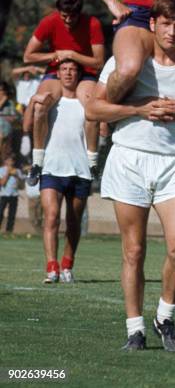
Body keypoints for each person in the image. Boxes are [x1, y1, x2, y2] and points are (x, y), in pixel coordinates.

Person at [85, 0, 175, 353]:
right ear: (153, 25)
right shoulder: (128, 61)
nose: (173, 32)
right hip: (129, 159)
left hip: (174, 163)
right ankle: (134, 329)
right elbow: (94, 109)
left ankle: (165, 316)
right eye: (167, 24)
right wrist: (138, 109)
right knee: (134, 250)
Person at [22, 0, 105, 183]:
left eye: (72, 16)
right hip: (56, 71)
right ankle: (37, 163)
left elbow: (98, 62)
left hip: (85, 72)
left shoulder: (92, 23)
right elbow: (28, 56)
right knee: (41, 105)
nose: (68, 20)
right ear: (58, 12)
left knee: (91, 107)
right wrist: (53, 56)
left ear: (80, 13)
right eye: (64, 16)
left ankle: (93, 163)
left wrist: (73, 55)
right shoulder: (49, 22)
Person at [31, 60, 93, 284]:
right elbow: (31, 123)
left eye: (73, 69)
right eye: (64, 69)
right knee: (52, 217)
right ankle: (52, 267)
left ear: (79, 74)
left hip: (80, 169)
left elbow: (100, 129)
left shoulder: (87, 104)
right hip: (51, 168)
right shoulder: (50, 103)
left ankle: (67, 263)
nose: (68, 73)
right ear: (58, 74)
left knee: (74, 221)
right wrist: (34, 100)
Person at [0, 155, 23, 233]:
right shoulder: (1, 170)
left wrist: (17, 176)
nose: (10, 162)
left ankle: (9, 231)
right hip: (4, 195)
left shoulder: (18, 171)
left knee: (12, 214)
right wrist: (7, 173)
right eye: (9, 160)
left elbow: (21, 186)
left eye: (12, 161)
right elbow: (2, 183)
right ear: (5, 161)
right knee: (0, 212)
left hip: (14, 195)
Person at [0, 82, 19, 161]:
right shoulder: (5, 101)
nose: (1, 92)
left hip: (7, 129)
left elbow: (15, 116)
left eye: (2, 90)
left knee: (5, 147)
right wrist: (2, 102)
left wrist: (11, 118)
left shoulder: (10, 103)